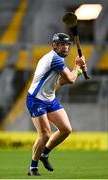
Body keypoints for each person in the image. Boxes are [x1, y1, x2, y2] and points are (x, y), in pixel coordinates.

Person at [26, 33, 87, 176]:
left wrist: (77, 70)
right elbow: (71, 80)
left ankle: (44, 155)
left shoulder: (57, 59)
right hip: (36, 99)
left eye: (67, 44)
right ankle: (33, 167)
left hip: (50, 99)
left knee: (66, 129)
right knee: (45, 135)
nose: (65, 47)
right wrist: (78, 67)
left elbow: (61, 81)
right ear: (54, 45)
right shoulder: (55, 59)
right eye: (61, 44)